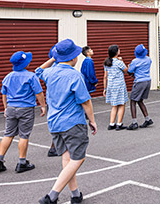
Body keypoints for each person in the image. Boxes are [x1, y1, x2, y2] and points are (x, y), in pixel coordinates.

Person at [36, 39, 96, 204]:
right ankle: (51, 196)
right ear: (75, 57)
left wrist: (54, 58)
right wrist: (92, 120)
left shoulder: (49, 73)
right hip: (72, 123)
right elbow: (85, 101)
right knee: (78, 159)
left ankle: (75, 195)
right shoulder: (75, 75)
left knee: (67, 158)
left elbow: (38, 71)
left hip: (54, 123)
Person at [0, 50, 45, 174]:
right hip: (26, 109)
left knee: (8, 134)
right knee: (24, 135)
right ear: (25, 64)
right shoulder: (31, 76)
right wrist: (43, 105)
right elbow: (39, 92)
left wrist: (5, 107)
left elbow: (4, 94)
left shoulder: (8, 77)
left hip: (11, 108)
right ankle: (22, 162)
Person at [126, 44, 153, 129]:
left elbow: (129, 71)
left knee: (133, 101)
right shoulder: (148, 59)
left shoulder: (135, 61)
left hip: (139, 82)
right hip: (147, 81)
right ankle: (147, 119)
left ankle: (134, 123)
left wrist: (129, 66)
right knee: (140, 100)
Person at [104, 44, 128, 130]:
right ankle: (119, 124)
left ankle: (111, 123)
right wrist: (122, 60)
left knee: (114, 105)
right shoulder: (119, 62)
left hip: (111, 86)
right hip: (119, 86)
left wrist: (105, 88)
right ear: (117, 52)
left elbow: (105, 76)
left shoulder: (107, 63)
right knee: (121, 104)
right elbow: (126, 70)